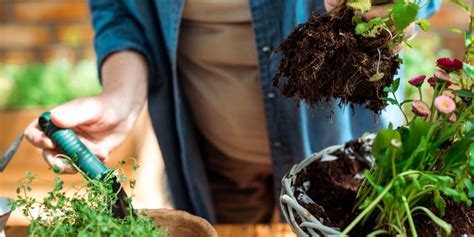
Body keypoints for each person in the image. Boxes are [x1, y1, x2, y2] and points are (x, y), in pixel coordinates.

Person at [25, 0, 440, 224]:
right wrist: (120, 97)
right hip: (213, 172)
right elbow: (121, 12)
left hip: (342, 159)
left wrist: (394, 8)